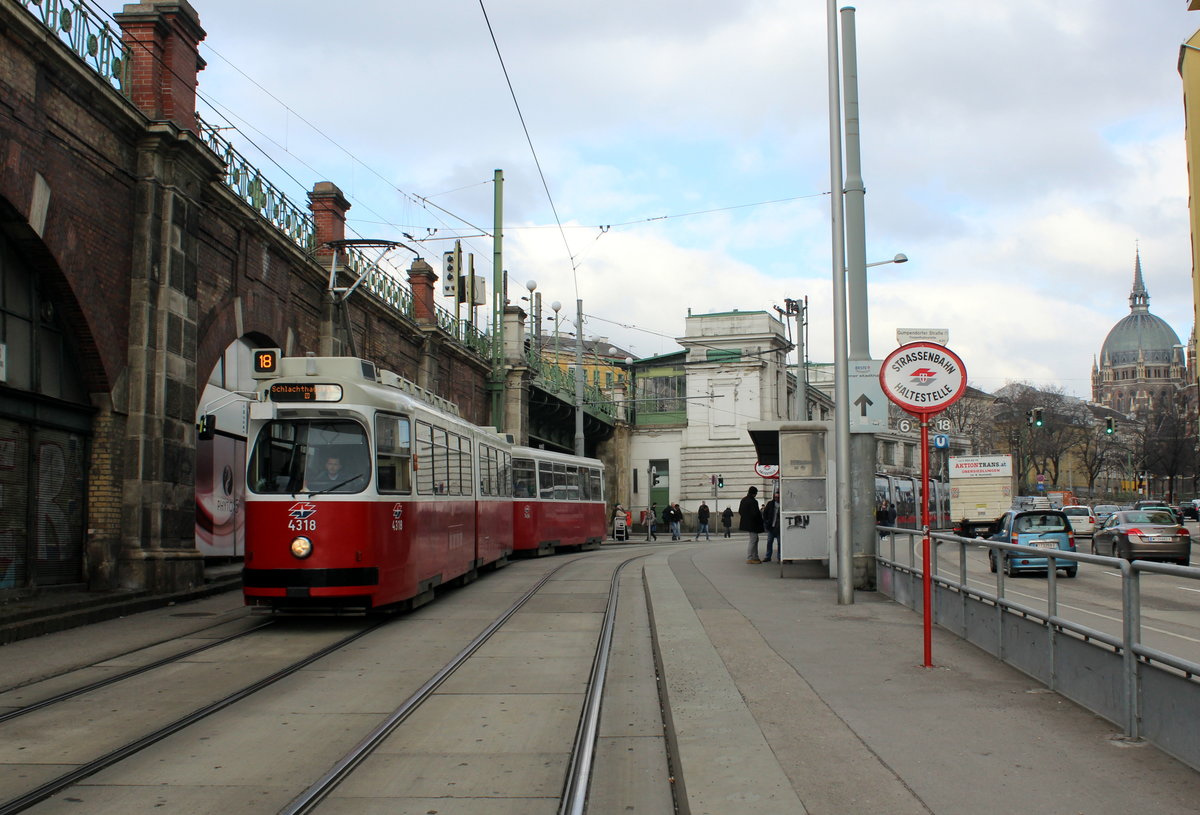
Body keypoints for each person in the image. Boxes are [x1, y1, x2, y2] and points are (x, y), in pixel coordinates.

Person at [739, 486, 764, 563]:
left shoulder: (743, 500)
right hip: (753, 524)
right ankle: (750, 557)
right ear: (754, 493)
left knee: (755, 539)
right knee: (753, 540)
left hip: (747, 523)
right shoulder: (753, 501)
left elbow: (740, 511)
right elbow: (755, 513)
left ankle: (755, 556)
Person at [762, 493, 781, 562]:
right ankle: (768, 556)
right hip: (771, 526)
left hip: (779, 527)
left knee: (779, 542)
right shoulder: (770, 504)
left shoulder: (782, 504)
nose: (777, 498)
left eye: (778, 497)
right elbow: (765, 513)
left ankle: (780, 557)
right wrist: (766, 521)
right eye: (776, 497)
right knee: (769, 542)